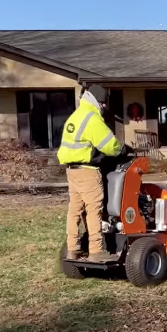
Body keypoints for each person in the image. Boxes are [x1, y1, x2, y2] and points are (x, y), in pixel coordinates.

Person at [58, 85, 125, 262]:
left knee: (75, 210)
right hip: (87, 171)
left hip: (72, 170)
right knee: (94, 209)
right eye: (103, 104)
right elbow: (109, 145)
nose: (103, 108)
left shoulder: (76, 116)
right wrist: (123, 150)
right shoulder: (92, 118)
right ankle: (96, 251)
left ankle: (73, 248)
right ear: (99, 102)